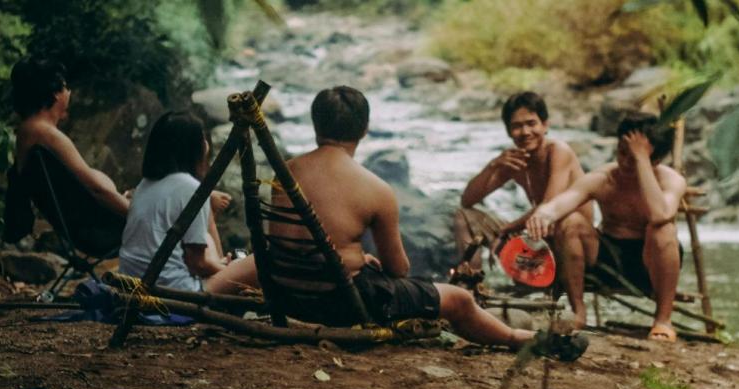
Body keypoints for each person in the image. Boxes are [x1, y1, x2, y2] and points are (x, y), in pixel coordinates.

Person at [208, 87, 535, 349]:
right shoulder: (376, 188)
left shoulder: (287, 170)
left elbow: (300, 239)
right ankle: (517, 339)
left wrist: (349, 255)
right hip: (338, 302)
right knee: (460, 298)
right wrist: (362, 261)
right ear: (364, 129)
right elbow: (398, 270)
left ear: (315, 125)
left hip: (285, 289)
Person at [524, 111, 688, 340]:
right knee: (571, 221)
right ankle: (579, 311)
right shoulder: (604, 177)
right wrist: (543, 214)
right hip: (606, 258)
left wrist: (641, 158)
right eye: (622, 152)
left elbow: (659, 214)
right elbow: (563, 202)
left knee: (663, 229)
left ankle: (663, 320)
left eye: (633, 157)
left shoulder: (671, 180)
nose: (625, 162)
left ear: (656, 160)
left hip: (650, 263)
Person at [453, 92, 594, 276]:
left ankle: (535, 273)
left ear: (545, 125)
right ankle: (471, 281)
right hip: (538, 240)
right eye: (517, 126)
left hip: (571, 245)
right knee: (463, 216)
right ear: (508, 131)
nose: (525, 132)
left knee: (551, 222)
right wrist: (493, 165)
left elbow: (549, 207)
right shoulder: (516, 160)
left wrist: (508, 228)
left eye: (531, 123)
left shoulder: (558, 151)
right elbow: (467, 200)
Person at [118, 111, 237, 291]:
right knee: (255, 265)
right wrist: (225, 270)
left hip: (132, 284)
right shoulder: (191, 189)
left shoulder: (144, 185)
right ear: (195, 148)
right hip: (173, 291)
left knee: (205, 238)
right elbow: (198, 264)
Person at [10, 57, 128, 217]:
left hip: (77, 219)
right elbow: (96, 189)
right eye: (65, 87)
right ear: (56, 94)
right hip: (93, 224)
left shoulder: (29, 130)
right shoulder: (46, 134)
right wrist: (133, 212)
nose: (69, 92)